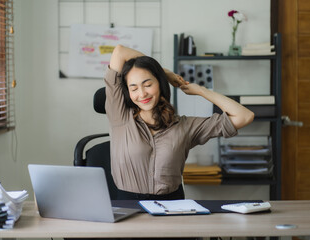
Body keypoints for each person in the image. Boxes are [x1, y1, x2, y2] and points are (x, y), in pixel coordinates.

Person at [105, 44, 254, 200]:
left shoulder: (185, 126)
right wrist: (167, 73)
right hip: (128, 206)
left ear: (160, 85)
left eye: (148, 85)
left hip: (172, 208)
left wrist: (202, 91)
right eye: (134, 88)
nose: (142, 93)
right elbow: (120, 51)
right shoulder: (119, 115)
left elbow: (244, 116)